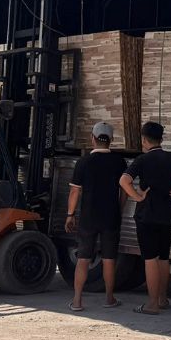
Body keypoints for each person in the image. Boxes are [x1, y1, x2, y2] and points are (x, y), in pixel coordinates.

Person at [120, 121, 171, 315]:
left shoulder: (142, 160)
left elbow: (124, 180)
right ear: (161, 139)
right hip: (167, 215)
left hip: (147, 215)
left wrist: (137, 197)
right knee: (163, 258)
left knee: (150, 259)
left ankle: (152, 304)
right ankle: (163, 299)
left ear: (144, 140)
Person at [65, 122, 129, 312]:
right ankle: (109, 298)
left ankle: (77, 300)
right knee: (109, 259)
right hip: (111, 216)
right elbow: (124, 191)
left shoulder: (84, 162)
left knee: (83, 258)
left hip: (88, 217)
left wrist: (70, 214)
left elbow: (75, 192)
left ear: (92, 138)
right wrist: (120, 208)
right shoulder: (119, 162)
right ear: (111, 140)